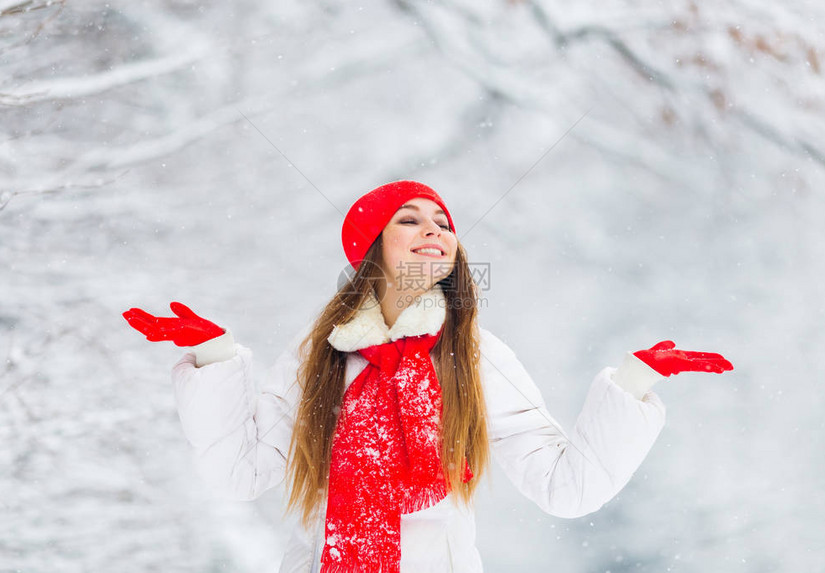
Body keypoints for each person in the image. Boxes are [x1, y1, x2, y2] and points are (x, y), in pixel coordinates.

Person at [123, 180, 733, 573]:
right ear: (372, 249)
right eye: (409, 220)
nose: (434, 230)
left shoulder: (476, 358)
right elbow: (240, 474)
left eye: (442, 221)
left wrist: (630, 385)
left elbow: (564, 487)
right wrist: (216, 359)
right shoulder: (321, 357)